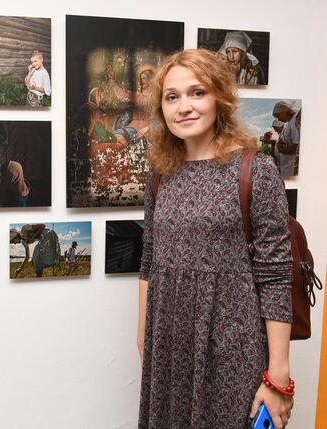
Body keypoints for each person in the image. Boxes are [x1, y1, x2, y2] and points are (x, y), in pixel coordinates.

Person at [137, 49, 293, 429]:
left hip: (231, 345)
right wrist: (144, 338)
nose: (184, 106)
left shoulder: (255, 169)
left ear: (219, 99)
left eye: (197, 93)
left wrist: (278, 377)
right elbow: (149, 261)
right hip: (169, 343)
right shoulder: (160, 174)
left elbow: (275, 276)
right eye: (172, 97)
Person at [273, 100, 300, 177]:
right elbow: (281, 141)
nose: (278, 119)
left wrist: (281, 149)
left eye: (278, 115)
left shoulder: (295, 121)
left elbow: (295, 148)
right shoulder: (288, 124)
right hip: (285, 166)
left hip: (290, 167)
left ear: (286, 111)